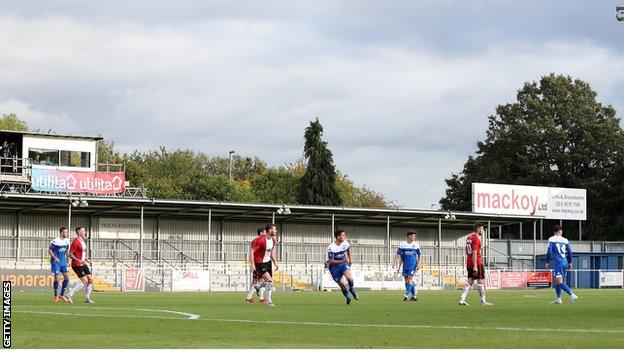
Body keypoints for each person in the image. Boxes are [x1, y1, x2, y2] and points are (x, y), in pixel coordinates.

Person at [459, 223, 493, 306]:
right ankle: (483, 301)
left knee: (470, 281)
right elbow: (474, 252)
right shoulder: (476, 239)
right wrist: (475, 266)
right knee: (480, 281)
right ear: (478, 229)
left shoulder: (469, 238)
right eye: (482, 228)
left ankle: (462, 299)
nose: (483, 230)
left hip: (469, 262)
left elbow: (467, 251)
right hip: (476, 263)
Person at [546, 225, 579, 304]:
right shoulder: (565, 240)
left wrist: (547, 261)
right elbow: (570, 252)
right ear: (560, 231)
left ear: (554, 232)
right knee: (558, 282)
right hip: (565, 261)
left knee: (559, 281)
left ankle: (572, 295)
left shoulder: (551, 239)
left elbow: (549, 251)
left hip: (558, 263)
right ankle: (558, 299)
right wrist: (570, 262)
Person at [250, 224, 279, 307]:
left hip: (268, 262)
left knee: (270, 282)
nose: (276, 231)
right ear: (270, 230)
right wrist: (252, 264)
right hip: (259, 262)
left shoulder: (273, 240)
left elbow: (272, 252)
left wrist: (275, 262)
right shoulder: (260, 240)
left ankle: (258, 286)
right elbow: (251, 251)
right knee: (269, 280)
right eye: (275, 229)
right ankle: (269, 302)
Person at [326, 229, 358, 305]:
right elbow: (331, 261)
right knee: (342, 284)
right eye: (343, 235)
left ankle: (352, 289)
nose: (344, 236)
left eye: (344, 235)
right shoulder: (331, 247)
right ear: (338, 237)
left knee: (349, 277)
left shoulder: (345, 243)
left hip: (343, 264)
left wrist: (350, 260)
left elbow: (348, 250)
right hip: (334, 267)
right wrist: (342, 261)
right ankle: (348, 296)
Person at [67, 227, 94, 303]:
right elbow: (70, 254)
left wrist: (86, 259)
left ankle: (87, 298)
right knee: (85, 281)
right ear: (79, 233)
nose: (85, 232)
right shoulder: (76, 242)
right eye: (83, 231)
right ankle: (69, 295)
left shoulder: (83, 242)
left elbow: (81, 254)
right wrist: (79, 260)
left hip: (83, 263)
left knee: (90, 280)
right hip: (77, 264)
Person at [393, 230, 421, 301]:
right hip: (405, 266)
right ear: (409, 236)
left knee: (409, 279)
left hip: (413, 265)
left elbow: (420, 254)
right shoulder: (402, 244)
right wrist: (395, 262)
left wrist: (419, 263)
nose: (414, 237)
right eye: (413, 236)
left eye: (414, 236)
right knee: (406, 281)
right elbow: (399, 255)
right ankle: (414, 295)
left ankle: (407, 293)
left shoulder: (416, 245)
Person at [49, 227, 71, 303]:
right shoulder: (55, 241)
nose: (67, 234)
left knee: (67, 278)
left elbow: (67, 251)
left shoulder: (67, 241)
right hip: (56, 263)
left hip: (63, 262)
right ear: (61, 233)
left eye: (67, 232)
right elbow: (50, 251)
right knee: (57, 280)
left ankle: (61, 295)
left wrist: (68, 259)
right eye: (65, 232)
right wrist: (55, 258)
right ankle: (55, 296)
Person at [246, 227, 266, 304]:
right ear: (261, 233)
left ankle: (257, 298)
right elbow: (252, 252)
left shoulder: (261, 241)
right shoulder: (257, 241)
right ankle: (252, 298)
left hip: (261, 263)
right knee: (258, 281)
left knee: (260, 281)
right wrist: (253, 264)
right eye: (264, 232)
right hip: (258, 264)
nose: (265, 233)